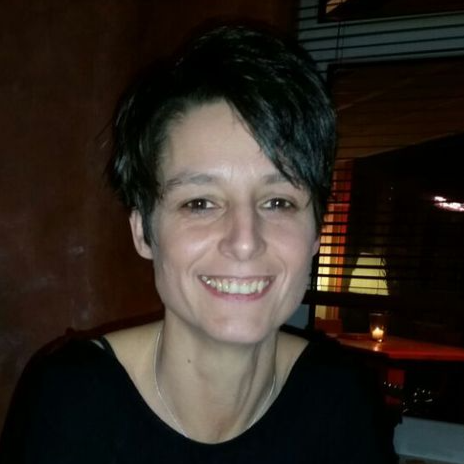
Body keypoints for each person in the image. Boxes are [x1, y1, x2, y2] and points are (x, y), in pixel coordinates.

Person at [0, 24, 396, 463]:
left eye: (278, 202)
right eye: (200, 203)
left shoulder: (343, 401)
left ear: (318, 230)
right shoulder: (70, 401)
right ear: (143, 231)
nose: (244, 242)